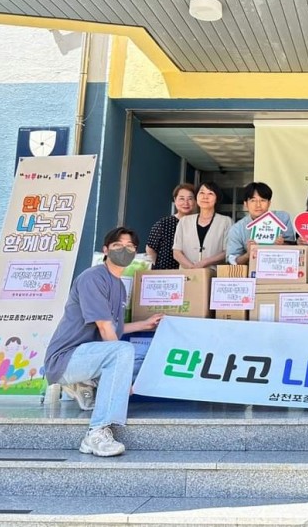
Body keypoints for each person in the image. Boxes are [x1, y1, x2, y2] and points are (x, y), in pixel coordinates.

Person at [43, 227, 163, 457]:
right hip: (66, 359)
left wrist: (144, 324)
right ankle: (96, 432)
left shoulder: (118, 285)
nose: (124, 250)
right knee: (123, 352)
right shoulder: (93, 278)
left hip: (89, 356)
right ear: (106, 250)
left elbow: (113, 328)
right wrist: (124, 381)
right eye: (118, 245)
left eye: (130, 246)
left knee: (145, 359)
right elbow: (105, 329)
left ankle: (86, 384)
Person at [225, 182, 296, 265]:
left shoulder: (283, 218)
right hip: (252, 270)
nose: (258, 205)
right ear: (245, 204)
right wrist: (248, 254)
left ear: (269, 203)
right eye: (253, 200)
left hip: (280, 268)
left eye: (263, 200)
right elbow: (232, 260)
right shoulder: (237, 229)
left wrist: (282, 245)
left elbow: (294, 247)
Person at [172, 182, 232, 270]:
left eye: (210, 193)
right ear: (196, 197)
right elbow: (177, 252)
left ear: (217, 198)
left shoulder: (226, 221)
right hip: (187, 274)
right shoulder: (184, 221)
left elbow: (228, 251)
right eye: (202, 193)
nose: (205, 197)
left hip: (214, 273)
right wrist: (191, 268)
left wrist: (205, 262)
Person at [145, 183, 196, 270]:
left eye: (190, 199)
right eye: (181, 198)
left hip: (191, 272)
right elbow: (150, 249)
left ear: (195, 201)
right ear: (175, 200)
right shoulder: (164, 223)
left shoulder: (198, 223)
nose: (186, 203)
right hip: (166, 273)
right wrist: (158, 267)